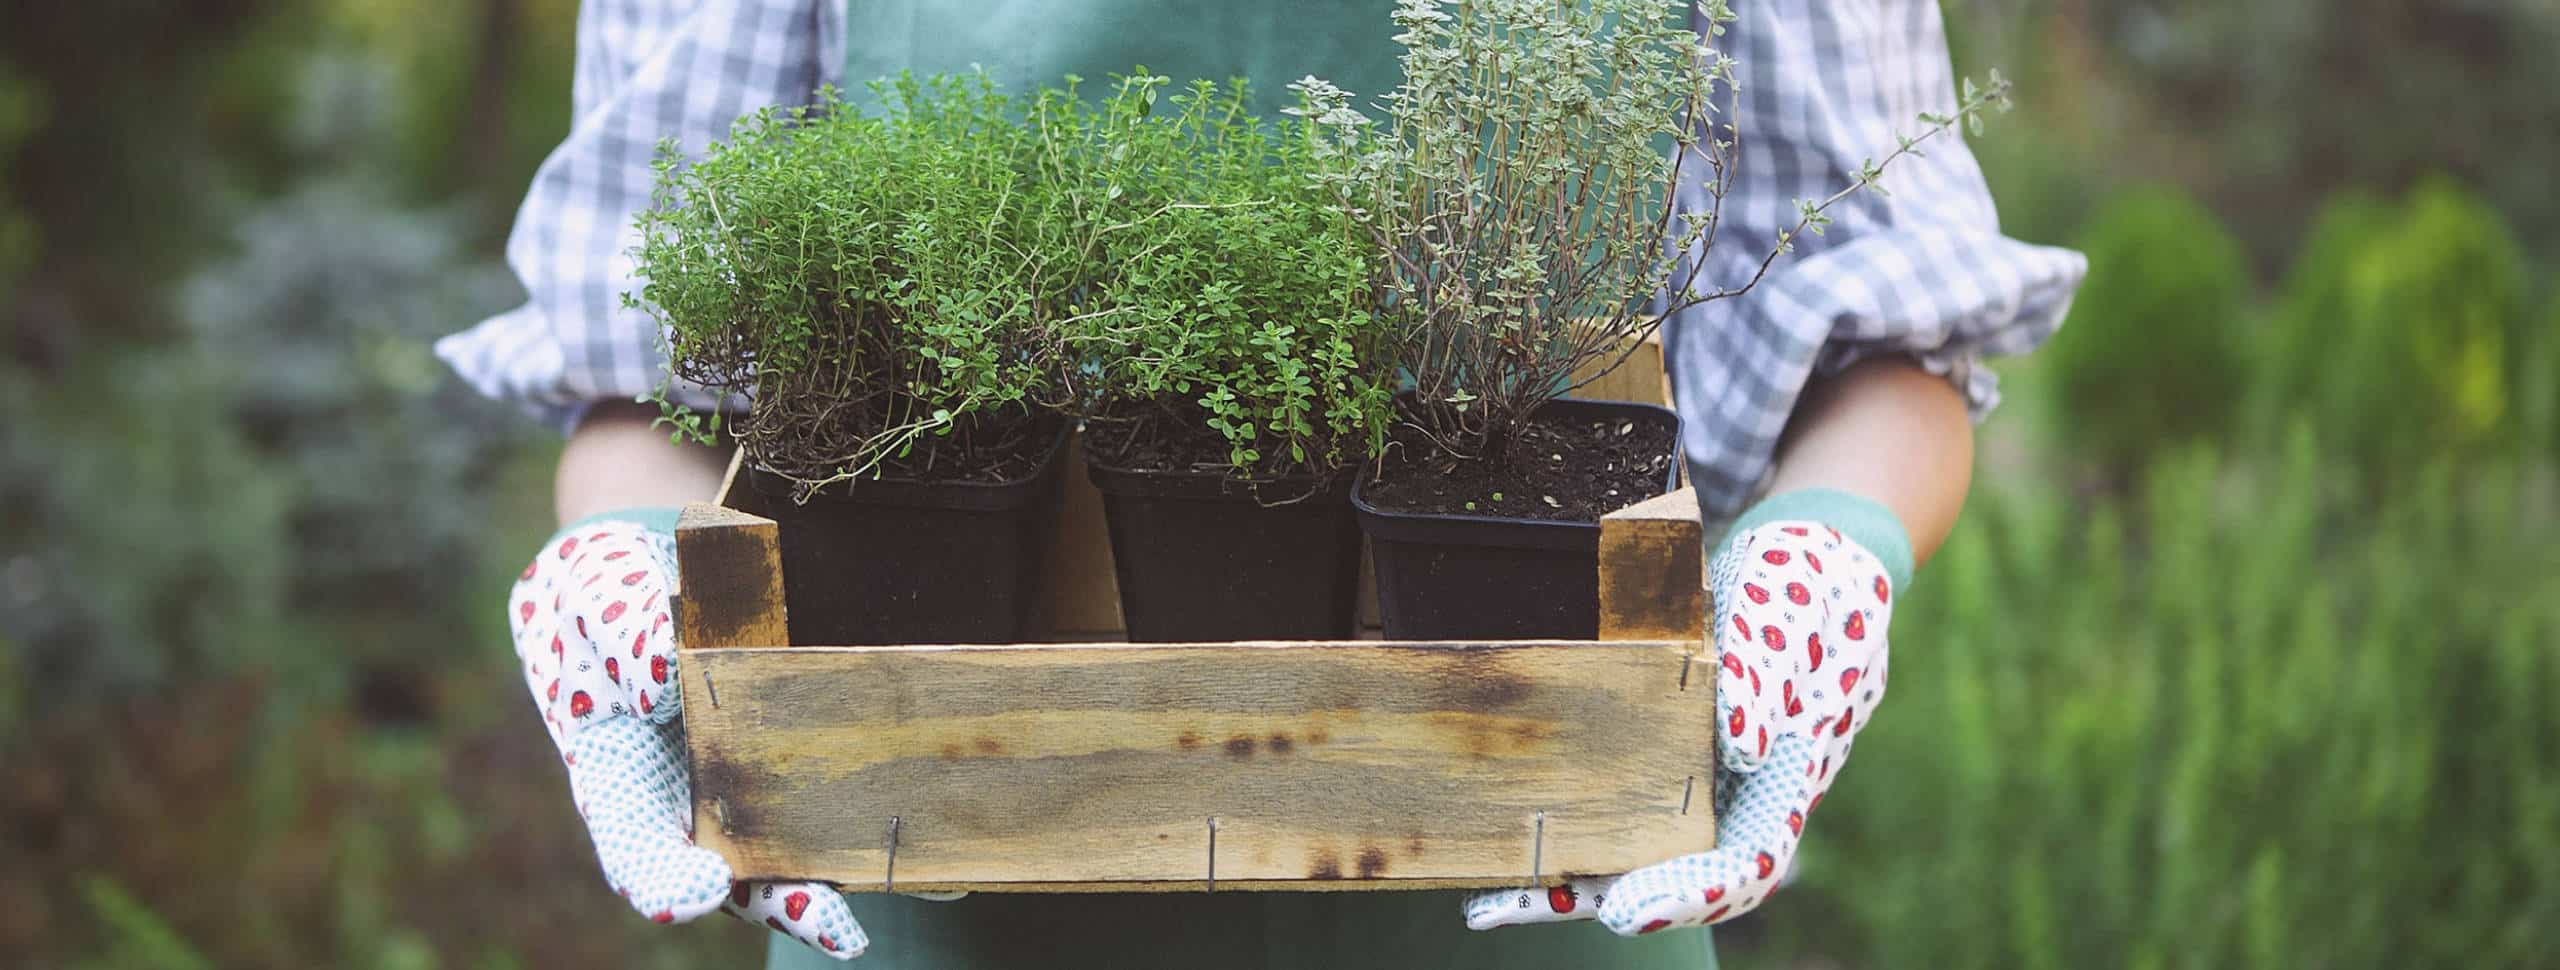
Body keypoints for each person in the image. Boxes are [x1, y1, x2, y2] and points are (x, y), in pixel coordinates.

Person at [439, 0, 2087, 966]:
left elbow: (1894, 326)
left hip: (1536, 883)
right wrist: (626, 564)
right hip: (911, 906)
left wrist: (1828, 554)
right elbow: (646, 363)